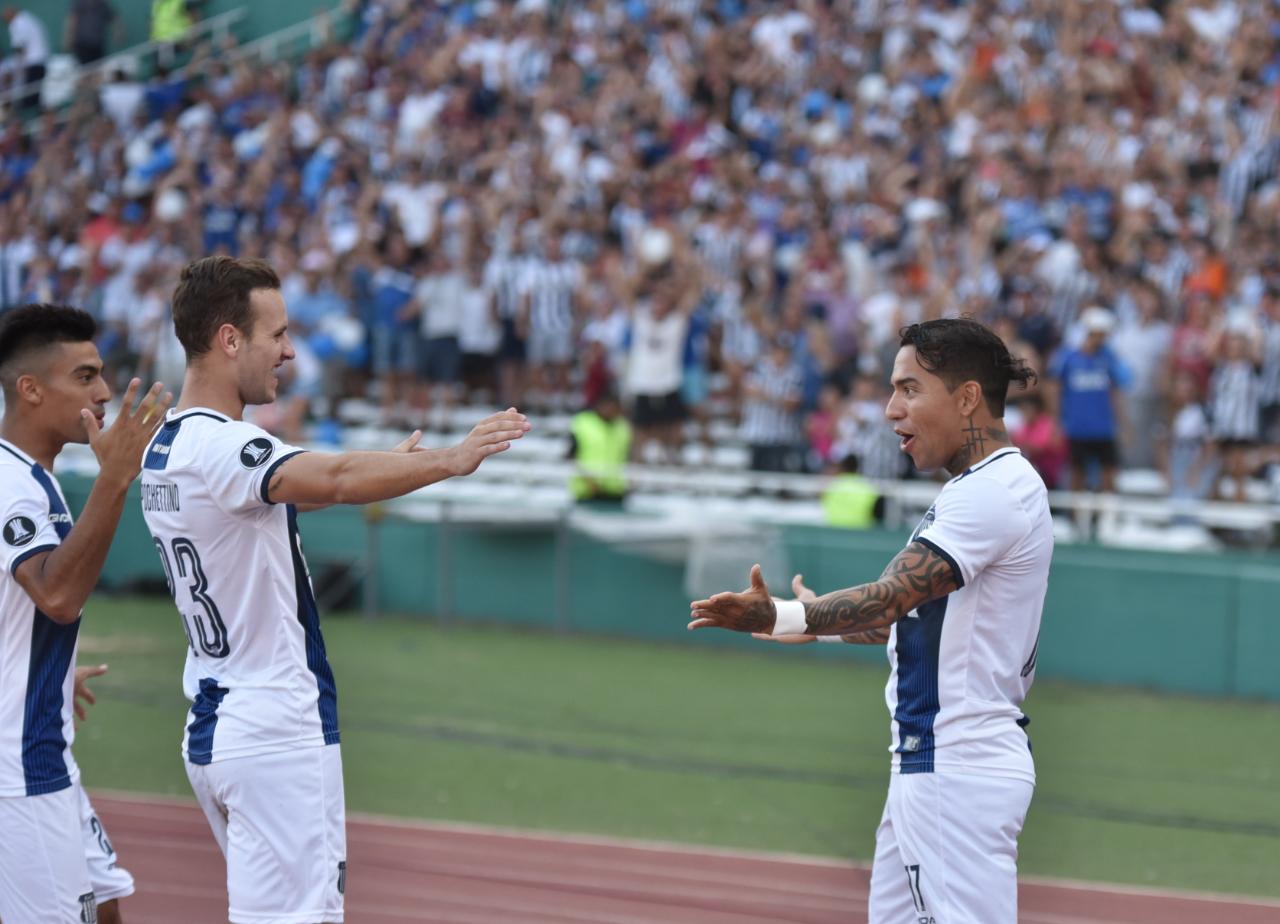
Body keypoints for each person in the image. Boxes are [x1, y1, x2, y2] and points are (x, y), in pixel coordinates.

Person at [137, 256, 529, 924]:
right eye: (277, 333)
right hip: (273, 725)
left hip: (217, 717)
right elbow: (338, 476)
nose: (289, 350)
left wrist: (393, 469)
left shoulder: (168, 447)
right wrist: (449, 460)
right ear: (230, 339)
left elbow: (279, 500)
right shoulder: (225, 446)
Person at [689, 318, 1052, 924]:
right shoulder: (980, 488)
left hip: (955, 769)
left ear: (966, 398)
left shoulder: (992, 491)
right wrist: (808, 621)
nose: (890, 409)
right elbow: (906, 618)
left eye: (909, 389)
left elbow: (889, 599)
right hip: (931, 763)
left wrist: (786, 613)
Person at [0, 303, 168, 924]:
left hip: (45, 746)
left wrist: (38, 667)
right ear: (31, 389)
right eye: (85, 376)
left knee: (104, 905)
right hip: (17, 765)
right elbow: (58, 596)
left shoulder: (33, 481)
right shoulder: (9, 485)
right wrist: (114, 480)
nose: (102, 393)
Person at [1048, 306, 1130, 492]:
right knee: (1077, 472)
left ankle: (1107, 517)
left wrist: (1122, 424)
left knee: (1109, 471)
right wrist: (1056, 424)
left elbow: (1116, 392)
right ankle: (1077, 518)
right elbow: (1056, 391)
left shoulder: (1108, 358)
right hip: (1077, 427)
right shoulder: (1068, 358)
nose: (1101, 339)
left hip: (1104, 428)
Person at [567, 390, 631, 504]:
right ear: (600, 406)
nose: (612, 412)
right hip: (587, 491)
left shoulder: (623, 426)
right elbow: (572, 455)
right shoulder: (582, 423)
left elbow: (627, 456)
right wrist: (589, 481)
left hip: (615, 491)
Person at [3, 7, 49, 113]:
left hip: (33, 64)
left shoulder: (17, 23)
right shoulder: (28, 19)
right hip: (41, 62)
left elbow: (20, 49)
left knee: (30, 99)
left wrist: (17, 71)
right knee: (34, 97)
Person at [820, 454, 883, 528]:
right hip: (861, 535)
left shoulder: (830, 487)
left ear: (842, 467)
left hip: (834, 533)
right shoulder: (868, 489)